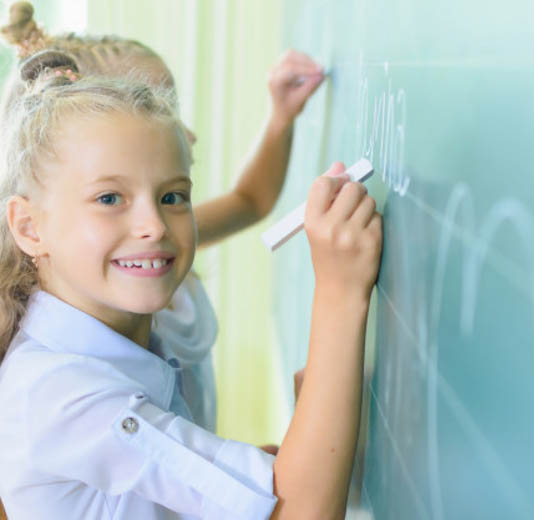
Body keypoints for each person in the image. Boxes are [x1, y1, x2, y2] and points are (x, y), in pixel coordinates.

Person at [0, 50, 381, 518]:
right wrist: (341, 291)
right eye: (109, 198)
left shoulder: (115, 342)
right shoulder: (63, 395)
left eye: (173, 196)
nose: (154, 225)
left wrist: (298, 454)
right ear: (29, 227)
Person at [0, 1, 323, 435]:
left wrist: (281, 118)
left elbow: (250, 200)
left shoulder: (158, 240)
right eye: (154, 105)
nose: (184, 133)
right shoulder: (77, 337)